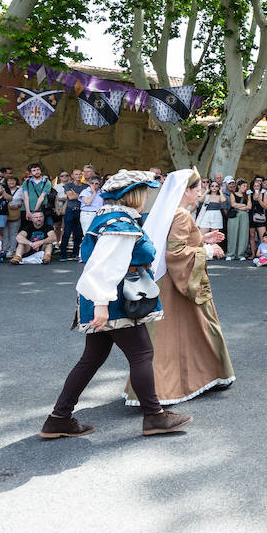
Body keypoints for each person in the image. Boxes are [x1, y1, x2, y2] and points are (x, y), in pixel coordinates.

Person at [42, 170, 191, 438]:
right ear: (133, 195)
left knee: (92, 358)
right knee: (142, 354)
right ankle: (155, 416)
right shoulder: (120, 225)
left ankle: (59, 418)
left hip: (107, 297)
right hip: (113, 299)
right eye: (144, 192)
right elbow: (104, 266)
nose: (147, 197)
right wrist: (101, 304)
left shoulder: (111, 219)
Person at [125, 170, 234, 406]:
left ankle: (166, 384)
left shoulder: (169, 212)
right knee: (192, 329)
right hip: (177, 283)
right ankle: (190, 380)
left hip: (165, 280)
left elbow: (170, 242)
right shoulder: (183, 215)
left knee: (173, 334)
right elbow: (175, 252)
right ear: (186, 191)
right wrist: (207, 251)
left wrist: (203, 239)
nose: (200, 193)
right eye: (197, 189)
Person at [228, 180, 252, 260]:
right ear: (239, 186)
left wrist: (241, 207)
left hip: (244, 215)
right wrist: (243, 205)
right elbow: (233, 204)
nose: (245, 188)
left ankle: (240, 254)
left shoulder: (247, 196)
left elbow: (249, 206)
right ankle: (230, 254)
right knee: (232, 233)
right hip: (235, 214)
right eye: (243, 186)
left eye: (246, 186)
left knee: (243, 234)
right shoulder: (233, 194)